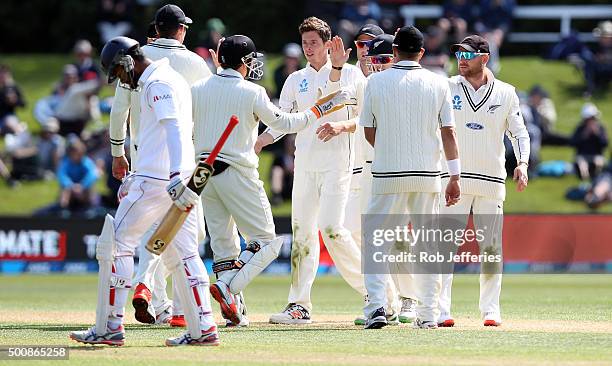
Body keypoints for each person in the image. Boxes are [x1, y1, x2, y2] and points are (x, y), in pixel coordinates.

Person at [192, 34, 354, 327]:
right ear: (242, 63)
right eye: (250, 61)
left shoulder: (197, 88)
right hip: (237, 173)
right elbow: (285, 123)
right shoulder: (251, 91)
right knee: (268, 242)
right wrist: (320, 109)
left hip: (203, 174)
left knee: (223, 245)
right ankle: (229, 287)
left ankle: (234, 309)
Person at [69, 36, 218, 347]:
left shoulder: (157, 83)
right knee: (185, 253)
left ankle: (110, 327)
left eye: (120, 74)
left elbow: (174, 128)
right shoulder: (171, 78)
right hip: (174, 178)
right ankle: (203, 328)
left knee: (115, 245)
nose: (123, 81)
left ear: (127, 62)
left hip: (159, 182)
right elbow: (159, 136)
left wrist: (174, 174)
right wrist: (174, 175)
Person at [257, 17, 368, 324]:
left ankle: (376, 291)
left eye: (314, 43)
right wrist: (262, 140)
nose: (308, 48)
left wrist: (342, 126)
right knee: (302, 234)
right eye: (305, 43)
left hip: (339, 165)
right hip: (306, 166)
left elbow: (366, 118)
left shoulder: (351, 74)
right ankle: (299, 305)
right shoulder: (295, 80)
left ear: (328, 43)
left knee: (332, 229)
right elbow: (284, 120)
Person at [109, 3, 212, 328]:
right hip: (183, 163)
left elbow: (119, 112)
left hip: (149, 163)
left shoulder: (140, 68)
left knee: (130, 237)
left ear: (156, 29)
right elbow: (202, 115)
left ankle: (132, 311)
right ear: (181, 29)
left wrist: (117, 152)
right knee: (188, 244)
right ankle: (192, 318)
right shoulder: (193, 64)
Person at [359, 25, 461, 329]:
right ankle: (428, 314)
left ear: (393, 51)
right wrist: (454, 176)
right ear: (422, 52)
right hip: (428, 174)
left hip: (388, 173)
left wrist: (391, 151)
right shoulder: (439, 82)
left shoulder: (375, 83)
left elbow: (368, 130)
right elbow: (449, 132)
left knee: (376, 239)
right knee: (428, 243)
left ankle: (377, 307)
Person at [438, 35, 530, 328]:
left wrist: (522, 163)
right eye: (458, 54)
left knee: (490, 248)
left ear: (484, 57)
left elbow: (520, 133)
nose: (461, 59)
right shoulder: (447, 86)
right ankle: (441, 310)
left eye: (467, 54)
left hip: (490, 181)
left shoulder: (506, 93)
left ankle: (491, 309)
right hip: (454, 181)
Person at [318, 33, 404, 326]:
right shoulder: (356, 76)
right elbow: (331, 101)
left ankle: (402, 301)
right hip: (357, 169)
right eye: (362, 47)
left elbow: (363, 120)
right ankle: (381, 296)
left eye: (373, 49)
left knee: (387, 238)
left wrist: (343, 125)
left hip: (387, 167)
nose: (367, 53)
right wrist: (338, 69)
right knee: (346, 230)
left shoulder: (391, 83)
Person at [57, 137, 98, 213]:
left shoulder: (86, 162)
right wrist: (71, 185)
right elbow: (62, 175)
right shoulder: (66, 163)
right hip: (71, 188)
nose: (77, 156)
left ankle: (90, 209)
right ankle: (63, 211)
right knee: (65, 192)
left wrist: (82, 186)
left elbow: (92, 175)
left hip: (83, 189)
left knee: (90, 190)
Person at [570, 103, 608, 181]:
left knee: (599, 163)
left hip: (596, 156)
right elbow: (573, 143)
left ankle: (597, 178)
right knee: (582, 165)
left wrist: (597, 134)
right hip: (582, 156)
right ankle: (584, 180)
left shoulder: (600, 129)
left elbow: (605, 144)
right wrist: (584, 135)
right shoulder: (580, 129)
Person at [270, 134, 296, 206]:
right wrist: (285, 171)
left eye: (293, 143)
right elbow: (272, 172)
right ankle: (276, 197)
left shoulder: (298, 157)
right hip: (283, 185)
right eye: (289, 143)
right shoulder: (279, 157)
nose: (291, 145)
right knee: (277, 171)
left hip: (295, 185)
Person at [0, 64, 26, 133]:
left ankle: (19, 133)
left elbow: (23, 104)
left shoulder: (13, 88)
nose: (2, 76)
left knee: (10, 121)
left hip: (8, 116)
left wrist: (15, 101)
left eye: (4, 74)